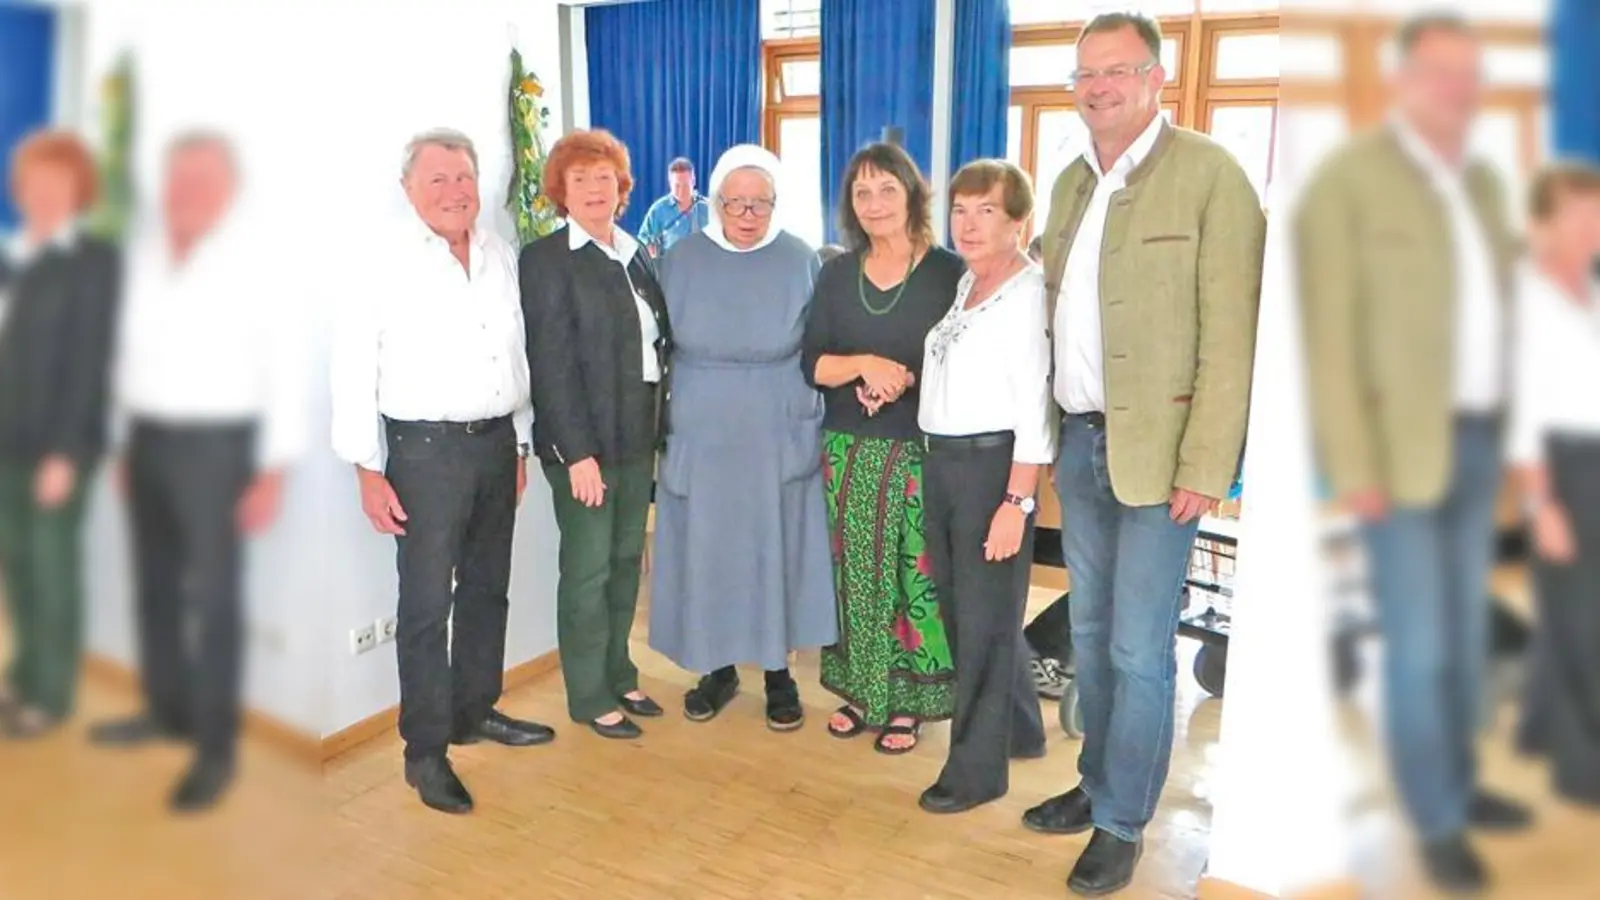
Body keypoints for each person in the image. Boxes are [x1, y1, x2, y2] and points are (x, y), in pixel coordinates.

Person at [1018, 12, 1266, 897]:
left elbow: (1231, 335)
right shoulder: (1071, 182)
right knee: (1087, 632)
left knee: (1136, 648)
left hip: (1164, 461)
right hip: (1081, 446)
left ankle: (1124, 820)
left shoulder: (1211, 175)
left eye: (1117, 70)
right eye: (1085, 72)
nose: (1098, 86)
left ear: (1156, 78)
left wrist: (1208, 465)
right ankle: (1094, 788)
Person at [1295, 13, 1529, 895]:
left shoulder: (1486, 184)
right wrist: (1351, 467)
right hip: (1395, 454)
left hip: (1476, 441)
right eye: (1440, 73)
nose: (1457, 91)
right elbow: (1330, 335)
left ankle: (1459, 789)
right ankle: (1431, 819)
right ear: (1403, 79)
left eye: (1469, 75)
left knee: (1467, 631)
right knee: (1422, 642)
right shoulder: (1351, 182)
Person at [331, 128, 554, 815]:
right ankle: (424, 752)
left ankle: (473, 710)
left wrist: (517, 446)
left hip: (493, 446)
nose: (457, 192)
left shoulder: (499, 255)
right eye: (438, 181)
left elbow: (513, 359)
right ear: (408, 190)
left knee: (488, 589)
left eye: (464, 178)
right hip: (423, 455)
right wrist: (368, 468)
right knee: (426, 607)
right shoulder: (381, 262)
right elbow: (352, 367)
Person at [88, 132, 305, 812]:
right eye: (178, 179)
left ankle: (214, 752)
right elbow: (126, 358)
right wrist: (124, 446)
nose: (186, 192)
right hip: (148, 441)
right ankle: (165, 712)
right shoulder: (146, 256)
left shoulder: (255, 261)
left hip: (219, 450)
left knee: (214, 603)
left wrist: (273, 470)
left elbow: (286, 370)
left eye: (202, 180)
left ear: (229, 187)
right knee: (153, 588)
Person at [649, 144, 835, 729]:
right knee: (710, 551)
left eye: (761, 203)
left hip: (777, 425)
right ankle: (717, 667)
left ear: (776, 204)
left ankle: (779, 675)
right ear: (718, 202)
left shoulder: (801, 259)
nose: (748, 214)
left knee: (774, 549)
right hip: (703, 428)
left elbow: (823, 345)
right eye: (737, 202)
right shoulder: (679, 259)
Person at [801, 142, 963, 754]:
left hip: (920, 447)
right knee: (855, 574)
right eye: (862, 193)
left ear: (913, 195)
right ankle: (860, 690)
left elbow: (964, 356)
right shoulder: (837, 274)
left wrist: (903, 379)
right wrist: (864, 366)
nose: (874, 204)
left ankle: (908, 702)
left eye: (887, 190)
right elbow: (812, 361)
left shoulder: (949, 271)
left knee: (910, 574)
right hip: (847, 446)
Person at [521, 129, 670, 740]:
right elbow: (550, 365)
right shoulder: (547, 259)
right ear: (560, 190)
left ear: (621, 187)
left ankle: (619, 671)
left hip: (636, 436)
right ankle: (588, 693)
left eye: (604, 178)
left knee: (624, 562)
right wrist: (576, 454)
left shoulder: (635, 253)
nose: (593, 189)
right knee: (586, 570)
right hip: (584, 445)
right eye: (579, 179)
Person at [915, 159, 1051, 815]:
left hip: (991, 470)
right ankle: (1020, 729)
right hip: (944, 463)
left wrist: (1016, 503)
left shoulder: (1027, 295)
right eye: (961, 211)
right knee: (974, 614)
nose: (967, 225)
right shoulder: (969, 282)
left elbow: (1034, 406)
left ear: (1018, 222)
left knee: (982, 621)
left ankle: (975, 773)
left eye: (986, 212)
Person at [0, 129, 120, 739]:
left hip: (57, 448)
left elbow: (89, 365)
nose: (43, 193)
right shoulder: (11, 254)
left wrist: (66, 454)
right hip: (5, 441)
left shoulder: (94, 261)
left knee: (51, 565)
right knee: (15, 565)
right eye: (34, 182)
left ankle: (51, 694)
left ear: (79, 190)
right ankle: (21, 677)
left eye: (58, 182)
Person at [1507, 162, 1600, 808]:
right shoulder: (1525, 295)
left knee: (1570, 607)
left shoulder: (1588, 286)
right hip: (1557, 464)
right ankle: (1581, 764)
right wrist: (1543, 504)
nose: (1594, 224)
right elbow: (1521, 412)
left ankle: (1538, 728)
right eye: (1581, 213)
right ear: (1545, 220)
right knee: (1581, 616)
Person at [638, 157, 710, 258]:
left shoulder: (708, 208)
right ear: (669, 182)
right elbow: (642, 241)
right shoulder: (658, 210)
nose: (681, 191)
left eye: (685, 186)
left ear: (693, 181)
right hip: (671, 269)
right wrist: (648, 249)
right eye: (677, 186)